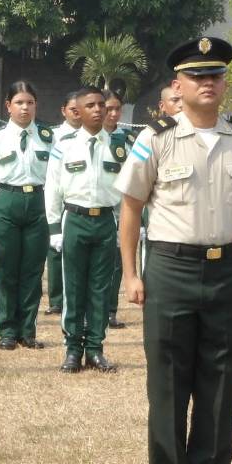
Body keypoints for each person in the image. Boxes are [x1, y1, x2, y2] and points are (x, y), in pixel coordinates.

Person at [115, 37, 232, 464]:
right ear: (177, 86)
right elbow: (131, 207)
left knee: (221, 381)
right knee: (168, 380)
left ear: (226, 84)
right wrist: (131, 274)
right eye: (198, 76)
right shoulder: (156, 137)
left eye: (217, 75)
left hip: (227, 268)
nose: (208, 83)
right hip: (170, 267)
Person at [45, 87, 123, 373]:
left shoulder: (117, 145)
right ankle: (73, 349)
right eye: (90, 105)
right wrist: (54, 227)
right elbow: (52, 187)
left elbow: (126, 191)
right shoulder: (64, 145)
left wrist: (126, 226)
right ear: (77, 110)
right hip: (74, 219)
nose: (98, 110)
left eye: (102, 105)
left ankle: (96, 348)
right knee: (74, 287)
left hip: (104, 220)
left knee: (101, 288)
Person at [0, 81, 53, 349]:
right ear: (8, 106)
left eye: (30, 102)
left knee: (32, 269)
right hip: (6, 200)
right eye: (19, 102)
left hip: (38, 202)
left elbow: (56, 177)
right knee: (5, 268)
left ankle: (27, 329)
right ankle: (7, 330)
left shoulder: (46, 136)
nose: (25, 108)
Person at [45, 91, 82, 316]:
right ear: (63, 111)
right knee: (55, 249)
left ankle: (74, 296)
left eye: (81, 109)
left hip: (76, 197)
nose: (78, 114)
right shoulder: (52, 135)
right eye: (73, 110)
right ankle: (56, 298)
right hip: (53, 194)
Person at [101, 91, 133, 330]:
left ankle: (110, 310)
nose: (113, 114)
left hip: (121, 209)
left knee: (116, 263)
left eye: (117, 109)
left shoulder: (129, 139)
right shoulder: (88, 138)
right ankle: (93, 310)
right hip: (96, 207)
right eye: (108, 108)